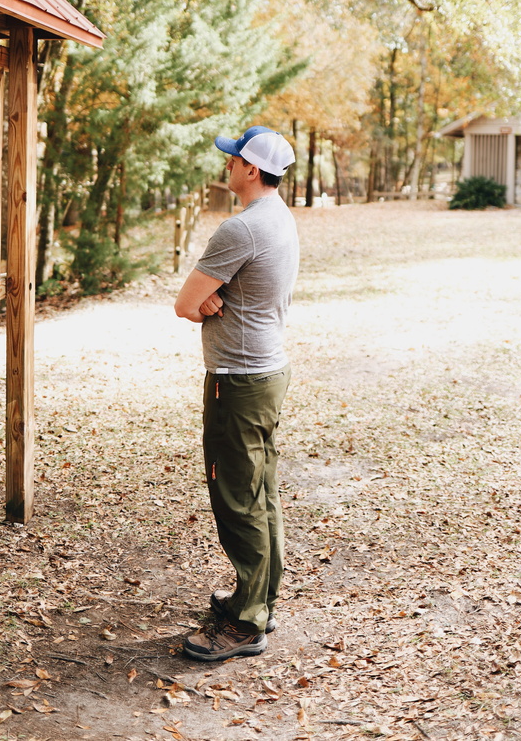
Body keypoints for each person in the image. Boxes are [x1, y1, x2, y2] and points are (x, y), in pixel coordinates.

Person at [174, 126, 299, 661]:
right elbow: (208, 299)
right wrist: (211, 299)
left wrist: (205, 301)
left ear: (252, 170)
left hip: (238, 379)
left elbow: (184, 302)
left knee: (237, 498)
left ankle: (246, 625)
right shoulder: (282, 217)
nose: (227, 165)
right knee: (260, 492)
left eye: (234, 159)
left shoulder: (241, 229)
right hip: (267, 372)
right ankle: (258, 598)